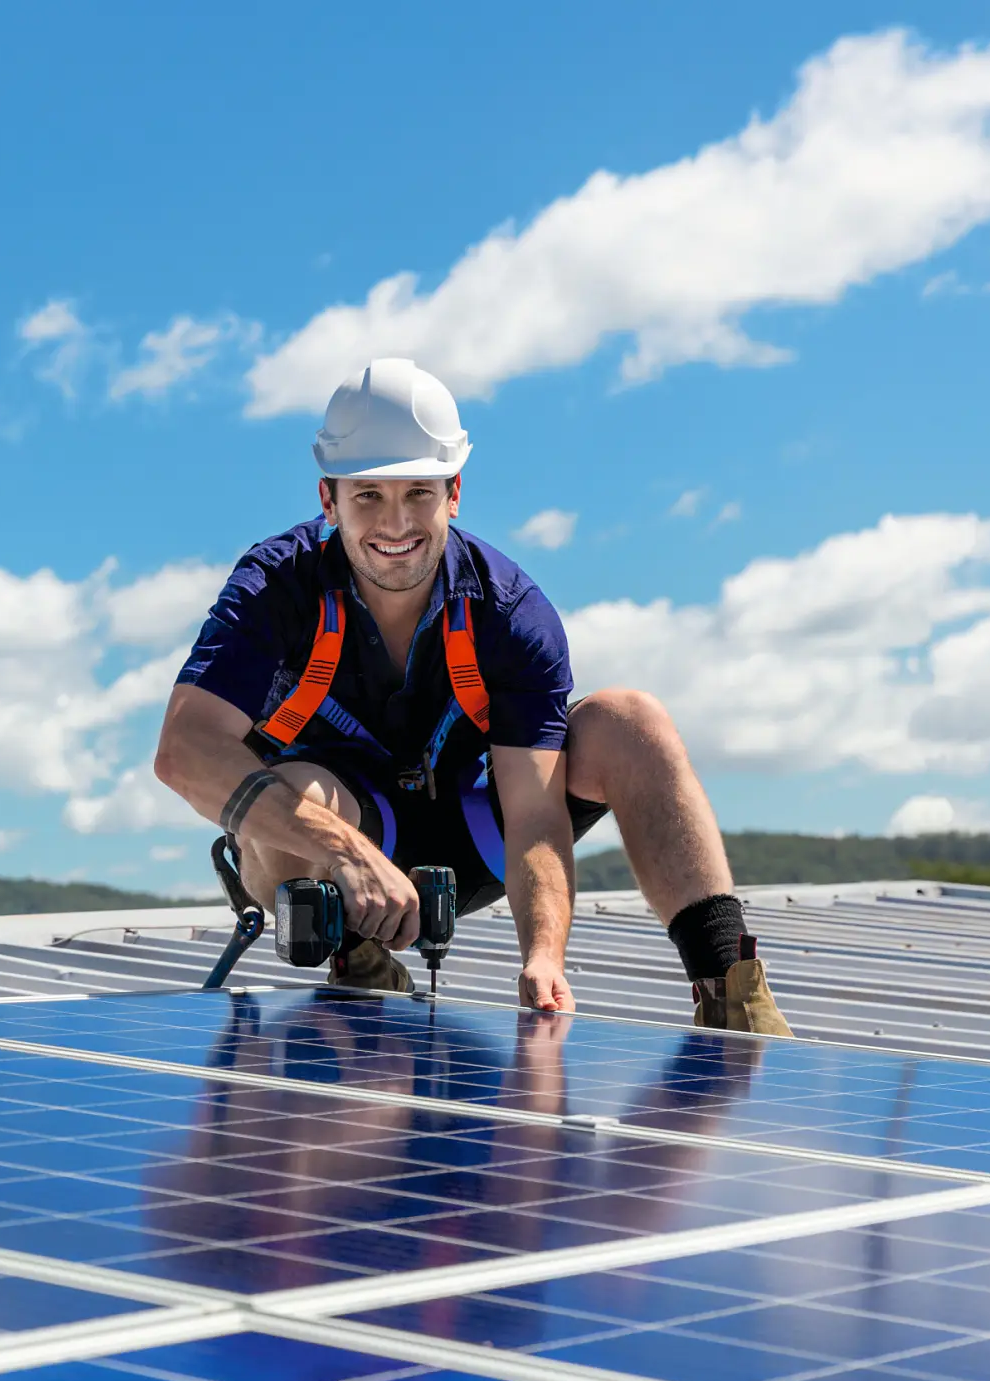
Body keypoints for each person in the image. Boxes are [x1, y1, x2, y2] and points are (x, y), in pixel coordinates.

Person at [152, 358, 790, 1034]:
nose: (394, 525)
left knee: (631, 720)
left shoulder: (511, 612)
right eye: (368, 495)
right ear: (327, 499)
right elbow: (184, 751)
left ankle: (733, 993)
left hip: (478, 835)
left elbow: (536, 816)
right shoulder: (274, 587)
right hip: (333, 850)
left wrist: (544, 955)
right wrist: (348, 852)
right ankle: (360, 960)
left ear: (453, 493)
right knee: (299, 790)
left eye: (417, 494)